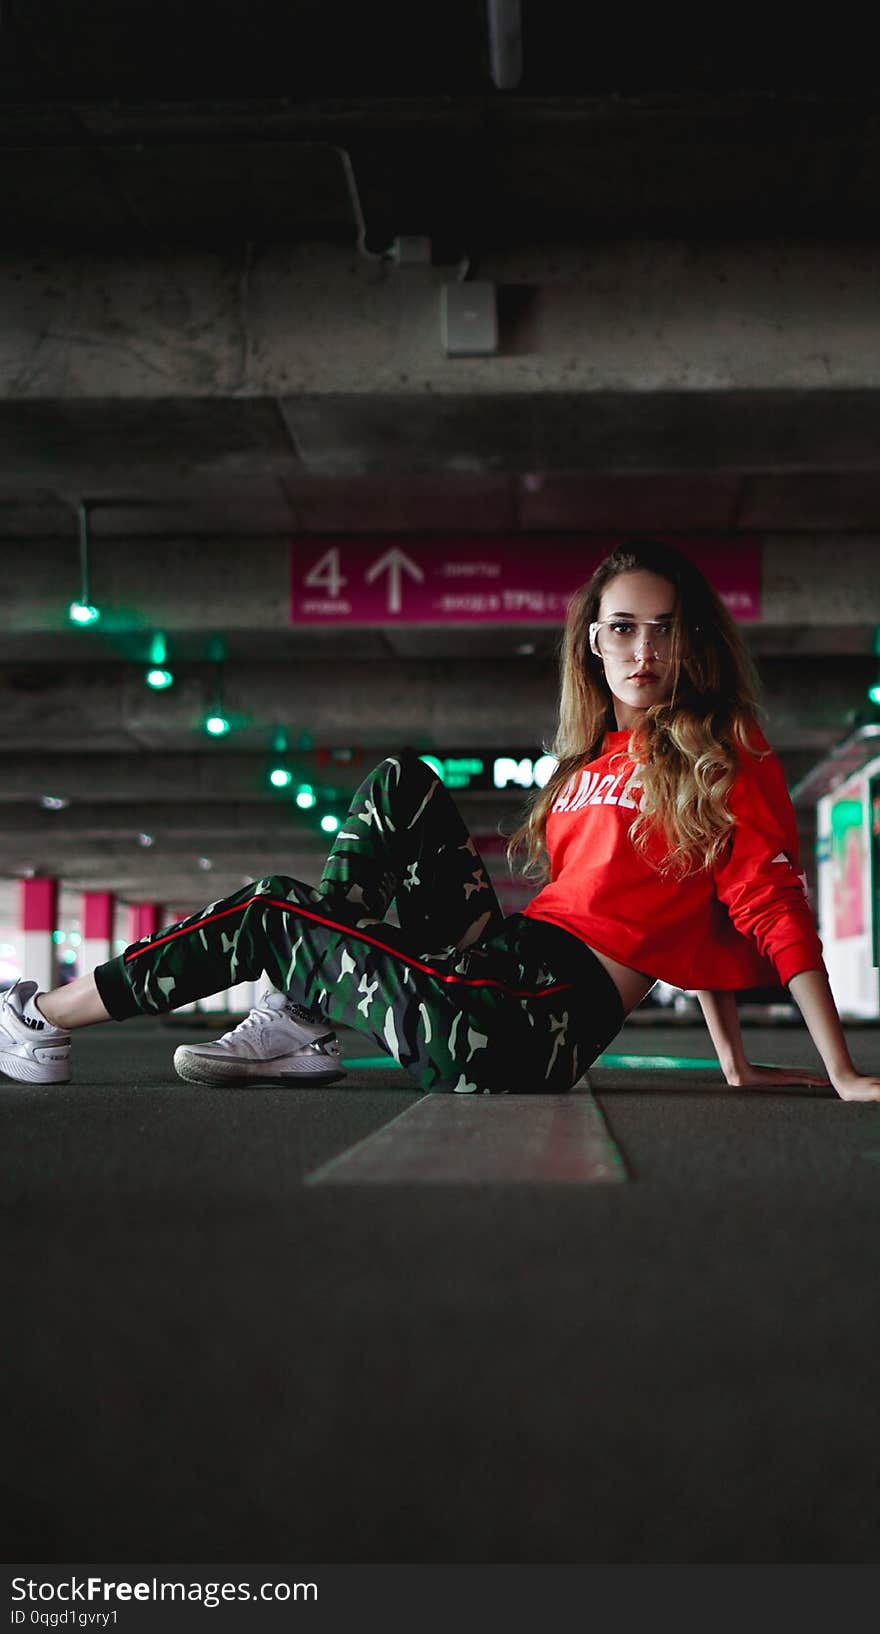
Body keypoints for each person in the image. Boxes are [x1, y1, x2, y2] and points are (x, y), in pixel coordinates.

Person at [1, 541, 878, 1101]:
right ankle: (304, 1024)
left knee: (274, 908)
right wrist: (732, 1057)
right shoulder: (593, 762)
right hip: (503, 965)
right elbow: (683, 909)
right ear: (593, 643)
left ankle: (42, 1018)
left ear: (690, 643)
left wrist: (838, 1071)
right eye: (622, 628)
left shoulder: (726, 744)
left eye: (665, 629)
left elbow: (757, 900)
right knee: (400, 781)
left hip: (534, 1023)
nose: (644, 650)